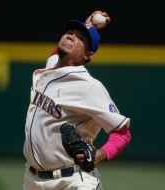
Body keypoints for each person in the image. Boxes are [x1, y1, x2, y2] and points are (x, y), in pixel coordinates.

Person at [23, 10, 131, 190]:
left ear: (88, 55)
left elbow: (122, 132)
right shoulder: (52, 67)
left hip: (73, 180)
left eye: (80, 37)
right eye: (69, 32)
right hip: (32, 180)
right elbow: (56, 53)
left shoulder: (89, 86)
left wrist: (102, 154)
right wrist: (88, 25)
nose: (70, 36)